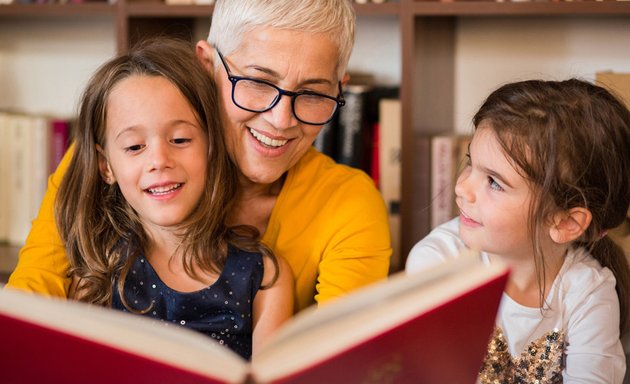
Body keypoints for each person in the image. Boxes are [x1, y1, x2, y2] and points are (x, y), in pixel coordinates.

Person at [7, 0, 391, 313]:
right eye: (257, 83)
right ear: (208, 65)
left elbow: (339, 363)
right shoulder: (121, 160)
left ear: (340, 90)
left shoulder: (348, 204)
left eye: (312, 93)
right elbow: (32, 303)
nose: (280, 120)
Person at [53, 37, 293, 359]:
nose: (159, 160)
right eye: (135, 147)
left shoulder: (264, 277)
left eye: (180, 139)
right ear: (105, 166)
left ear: (212, 146)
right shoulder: (96, 274)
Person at [406, 79, 630, 383]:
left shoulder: (588, 294)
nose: (462, 188)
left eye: (494, 182)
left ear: (566, 223)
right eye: (471, 164)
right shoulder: (436, 262)